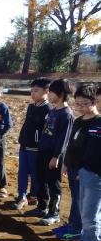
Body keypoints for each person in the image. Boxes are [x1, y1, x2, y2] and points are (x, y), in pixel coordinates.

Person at [26, 78, 74, 225]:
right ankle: (42, 207)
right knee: (41, 180)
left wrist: (56, 156)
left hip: (54, 155)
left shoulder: (66, 114)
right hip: (43, 151)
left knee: (54, 184)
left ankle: (54, 213)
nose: (49, 95)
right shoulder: (54, 111)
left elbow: (64, 139)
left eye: (51, 92)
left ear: (59, 94)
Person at [60, 84, 98, 241]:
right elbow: (70, 144)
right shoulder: (78, 121)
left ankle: (77, 229)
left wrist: (83, 170)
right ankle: (72, 224)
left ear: (94, 101)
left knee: (83, 202)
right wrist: (66, 163)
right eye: (78, 103)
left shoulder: (97, 122)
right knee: (76, 198)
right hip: (73, 167)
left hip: (86, 170)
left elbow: (92, 151)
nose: (81, 107)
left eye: (85, 103)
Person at [71, 84, 101, 241]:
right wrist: (80, 167)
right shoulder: (95, 123)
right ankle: (86, 240)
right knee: (85, 210)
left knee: (90, 214)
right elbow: (85, 149)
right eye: (97, 100)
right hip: (85, 172)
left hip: (97, 176)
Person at [14, 77, 51, 210]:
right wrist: (21, 138)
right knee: (22, 171)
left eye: (36, 91)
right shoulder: (31, 107)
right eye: (31, 91)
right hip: (24, 144)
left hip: (36, 148)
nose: (33, 93)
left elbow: (46, 131)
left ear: (46, 91)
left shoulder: (48, 109)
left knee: (35, 173)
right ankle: (22, 195)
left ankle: (34, 196)